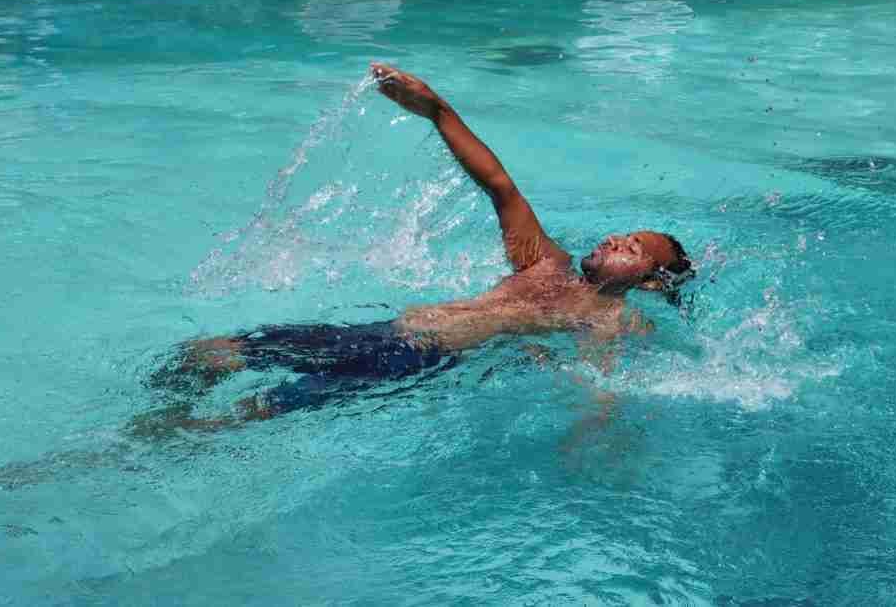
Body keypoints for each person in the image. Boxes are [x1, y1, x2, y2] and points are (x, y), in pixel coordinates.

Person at [141, 63, 694, 431]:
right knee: (213, 349)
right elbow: (499, 183)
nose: (620, 239)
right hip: (383, 335)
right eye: (626, 233)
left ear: (648, 281)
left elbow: (602, 384)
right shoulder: (543, 262)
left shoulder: (605, 316)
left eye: (637, 249)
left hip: (413, 362)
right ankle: (154, 405)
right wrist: (437, 110)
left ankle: (149, 440)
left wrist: (595, 432)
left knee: (249, 412)